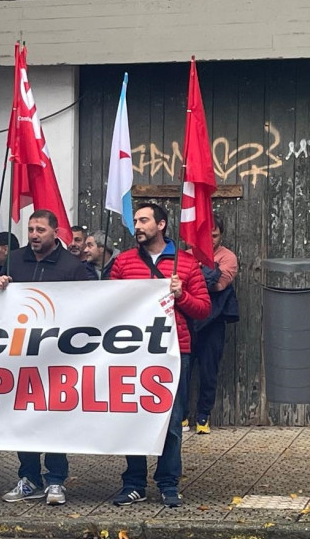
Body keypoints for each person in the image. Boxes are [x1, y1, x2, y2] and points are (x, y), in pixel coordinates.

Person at [109, 202, 209, 508]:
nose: (137, 226)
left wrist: (182, 295)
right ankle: (134, 482)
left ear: (161, 225)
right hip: (133, 351)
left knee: (172, 419)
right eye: (135, 221)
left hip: (175, 352)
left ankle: (168, 483)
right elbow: (108, 304)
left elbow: (203, 309)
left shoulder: (187, 264)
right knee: (133, 417)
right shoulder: (123, 263)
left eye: (144, 220)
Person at [0, 210, 92, 505]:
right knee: (23, 417)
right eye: (31, 229)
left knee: (53, 418)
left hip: (58, 357)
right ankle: (28, 478)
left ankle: (56, 480)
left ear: (54, 232)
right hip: (20, 355)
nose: (34, 235)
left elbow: (88, 306)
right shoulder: (14, 259)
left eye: (40, 230)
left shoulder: (72, 266)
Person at [187, 216, 239, 434]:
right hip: (189, 317)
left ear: (221, 235)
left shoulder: (228, 257)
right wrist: (206, 274)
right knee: (184, 368)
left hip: (213, 320)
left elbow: (219, 285)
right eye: (206, 234)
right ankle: (180, 416)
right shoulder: (189, 255)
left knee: (209, 371)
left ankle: (202, 416)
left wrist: (194, 278)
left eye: (215, 235)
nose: (211, 239)